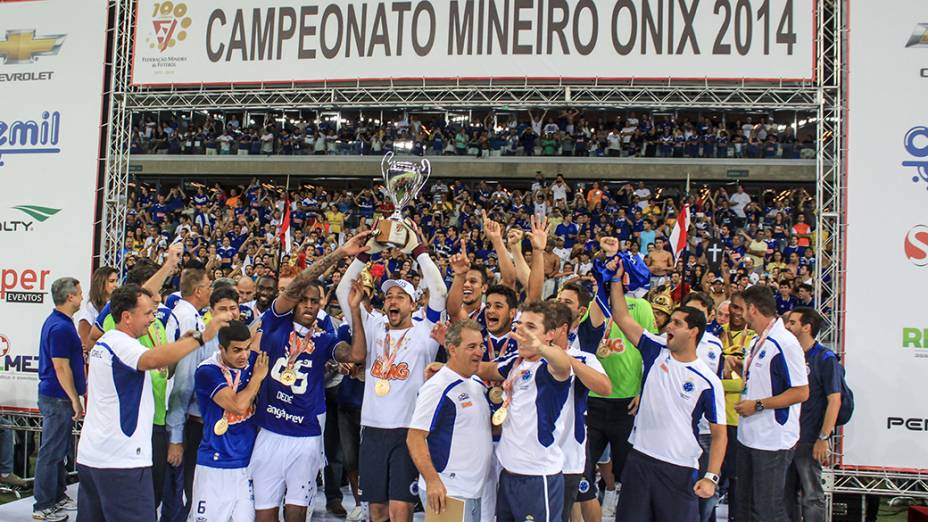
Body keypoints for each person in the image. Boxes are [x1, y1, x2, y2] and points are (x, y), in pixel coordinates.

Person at [76, 284, 231, 522]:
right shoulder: (120, 343)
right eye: (148, 313)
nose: (153, 318)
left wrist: (181, 343)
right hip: (121, 461)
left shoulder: (108, 342)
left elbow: (153, 355)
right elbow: (152, 358)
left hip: (94, 456)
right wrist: (203, 337)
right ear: (126, 317)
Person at [250, 233, 368, 522]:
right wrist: (339, 254)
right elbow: (299, 282)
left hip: (305, 438)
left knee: (297, 514)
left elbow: (355, 356)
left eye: (315, 301)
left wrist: (354, 311)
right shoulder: (275, 321)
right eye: (303, 299)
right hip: (269, 431)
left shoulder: (327, 339)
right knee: (264, 514)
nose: (309, 305)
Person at [336, 224, 448, 522]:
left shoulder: (426, 331)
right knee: (376, 511)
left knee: (401, 511)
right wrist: (365, 254)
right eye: (388, 297)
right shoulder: (372, 326)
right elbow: (343, 290)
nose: (393, 301)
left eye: (400, 297)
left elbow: (439, 290)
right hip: (372, 429)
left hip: (407, 431)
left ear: (413, 304)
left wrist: (418, 250)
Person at [608, 259, 727, 521]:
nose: (668, 327)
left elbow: (719, 434)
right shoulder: (654, 349)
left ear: (693, 332)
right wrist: (615, 280)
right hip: (639, 460)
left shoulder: (707, 380)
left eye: (676, 323)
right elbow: (621, 316)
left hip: (679, 469)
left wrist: (711, 477)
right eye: (670, 321)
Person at [476, 301, 574, 522]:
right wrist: (447, 366)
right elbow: (484, 368)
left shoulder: (549, 368)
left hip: (538, 477)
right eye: (519, 325)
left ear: (549, 334)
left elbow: (563, 365)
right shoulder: (516, 362)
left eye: (531, 327)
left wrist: (540, 347)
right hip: (509, 473)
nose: (521, 331)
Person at [733, 285, 810, 522]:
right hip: (749, 435)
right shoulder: (760, 340)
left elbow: (801, 392)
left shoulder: (785, 342)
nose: (739, 314)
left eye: (741, 308)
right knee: (744, 508)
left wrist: (758, 405)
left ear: (753, 309)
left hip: (772, 439)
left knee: (766, 510)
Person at [407, 320, 492, 522]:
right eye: (471, 347)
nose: (479, 352)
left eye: (480, 346)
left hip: (473, 491)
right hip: (448, 492)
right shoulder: (437, 387)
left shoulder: (476, 383)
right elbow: (415, 437)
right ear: (452, 349)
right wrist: (433, 481)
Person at [188, 320, 269, 522]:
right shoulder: (207, 371)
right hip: (215, 466)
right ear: (221, 348)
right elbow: (237, 405)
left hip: (246, 467)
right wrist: (257, 379)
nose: (243, 355)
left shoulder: (253, 363)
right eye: (236, 350)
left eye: (247, 348)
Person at [33, 277, 85, 522]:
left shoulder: (61, 323)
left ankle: (56, 495)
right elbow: (61, 367)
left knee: (59, 449)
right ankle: (43, 505)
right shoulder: (61, 327)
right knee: (52, 451)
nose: (82, 297)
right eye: (79, 293)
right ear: (70, 297)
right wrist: (74, 398)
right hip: (57, 396)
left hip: (57, 396)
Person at [783, 307, 842, 522]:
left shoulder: (825, 358)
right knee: (785, 494)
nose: (787, 327)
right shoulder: (789, 355)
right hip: (786, 437)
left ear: (806, 327)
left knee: (812, 495)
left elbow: (834, 399)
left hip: (809, 438)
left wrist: (823, 438)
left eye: (792, 323)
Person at [165, 268, 213, 518]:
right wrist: (176, 436)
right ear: (198, 291)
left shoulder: (190, 314)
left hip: (180, 416)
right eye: (208, 286)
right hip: (179, 417)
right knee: (179, 496)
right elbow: (183, 381)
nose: (211, 290)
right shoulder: (189, 319)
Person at [76, 267, 118, 351]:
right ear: (100, 283)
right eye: (111, 281)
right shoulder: (89, 309)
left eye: (116, 281)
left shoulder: (115, 305)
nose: (116, 285)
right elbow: (85, 343)